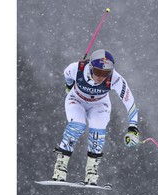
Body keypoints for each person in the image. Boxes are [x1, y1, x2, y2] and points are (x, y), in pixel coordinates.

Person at [52, 49, 139, 185]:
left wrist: (133, 127)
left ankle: (91, 173)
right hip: (76, 100)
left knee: (97, 132)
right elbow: (66, 74)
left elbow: (130, 102)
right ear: (91, 67)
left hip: (99, 104)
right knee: (77, 126)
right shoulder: (76, 68)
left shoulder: (115, 79)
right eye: (98, 72)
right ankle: (60, 168)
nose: (100, 77)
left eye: (105, 73)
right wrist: (69, 86)